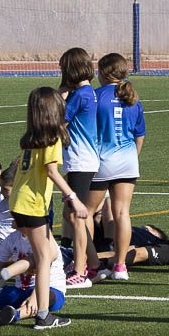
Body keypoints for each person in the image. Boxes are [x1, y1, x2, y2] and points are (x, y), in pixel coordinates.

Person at [5, 87, 88, 328]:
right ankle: (43, 314)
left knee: (50, 252)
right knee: (44, 260)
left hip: (19, 203)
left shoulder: (30, 141)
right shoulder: (51, 141)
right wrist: (73, 197)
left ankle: (6, 275)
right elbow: (52, 172)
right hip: (32, 206)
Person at [85, 53, 145, 281]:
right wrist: (132, 158)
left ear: (103, 72)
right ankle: (120, 266)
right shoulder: (133, 99)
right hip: (128, 160)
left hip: (102, 160)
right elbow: (140, 135)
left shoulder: (96, 96)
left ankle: (87, 263)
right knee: (122, 213)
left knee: (86, 213)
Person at [59, 47, 99, 285]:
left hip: (80, 161)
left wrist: (59, 96)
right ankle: (91, 262)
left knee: (76, 216)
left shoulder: (79, 95)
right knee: (72, 214)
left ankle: (81, 269)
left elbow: (57, 120)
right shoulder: (87, 92)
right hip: (84, 160)